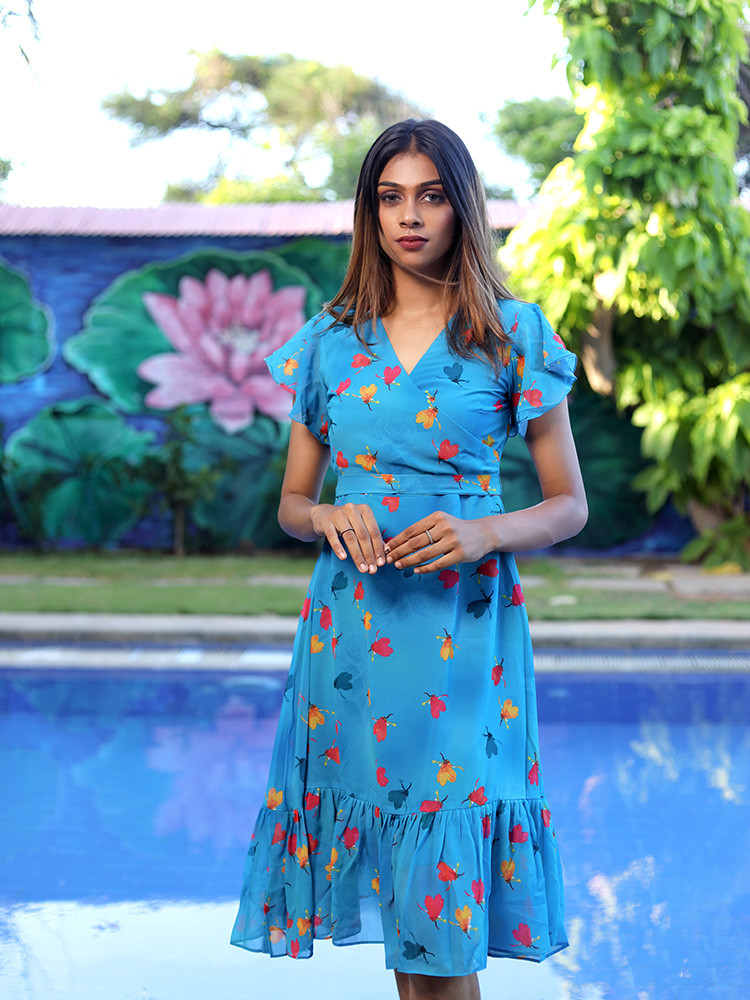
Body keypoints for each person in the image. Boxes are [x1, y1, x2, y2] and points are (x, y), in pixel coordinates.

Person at [231, 119, 588, 1000]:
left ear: (462, 208)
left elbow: (570, 504)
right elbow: (291, 506)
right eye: (390, 197)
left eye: (431, 195)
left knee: (441, 916)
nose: (410, 216)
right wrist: (327, 514)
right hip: (349, 637)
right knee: (408, 920)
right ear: (369, 212)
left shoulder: (513, 334)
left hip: (464, 639)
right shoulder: (328, 340)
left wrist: (486, 532)